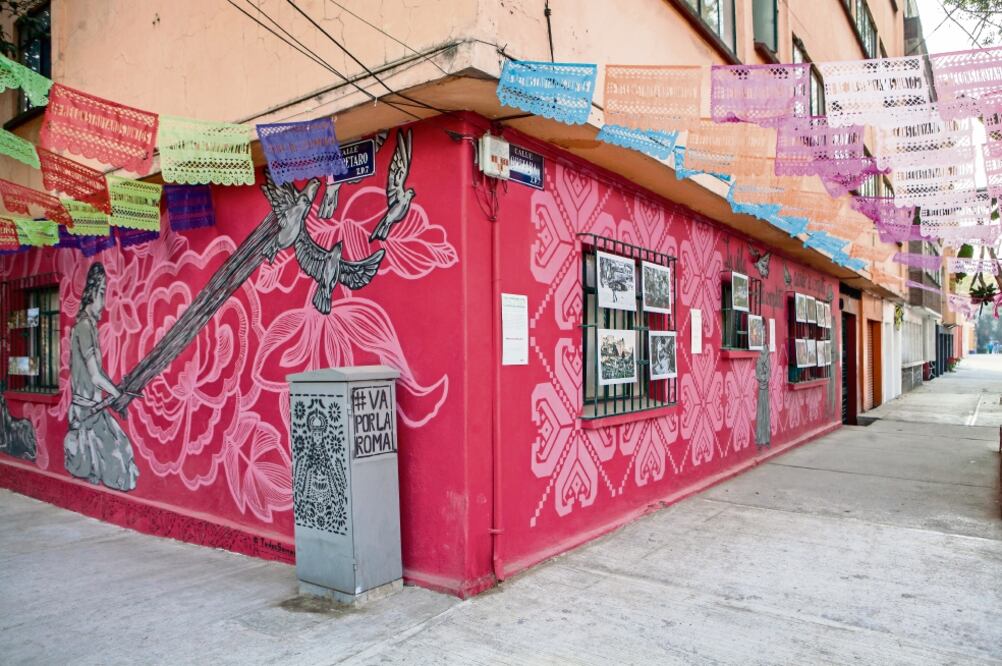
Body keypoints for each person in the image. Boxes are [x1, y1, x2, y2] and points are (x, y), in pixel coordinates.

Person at [63, 263, 139, 491]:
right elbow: (95, 376)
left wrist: (117, 393)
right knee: (121, 464)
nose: (104, 303)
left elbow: (98, 373)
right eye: (103, 293)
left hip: (94, 411)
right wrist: (117, 394)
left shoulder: (89, 327)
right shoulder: (84, 327)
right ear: (93, 292)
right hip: (87, 413)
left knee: (122, 455)